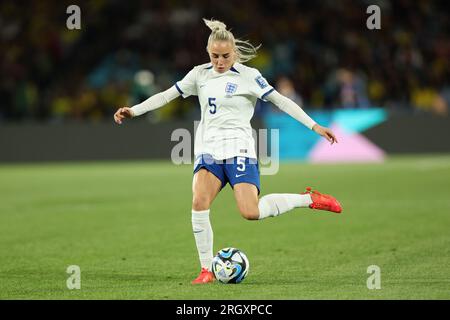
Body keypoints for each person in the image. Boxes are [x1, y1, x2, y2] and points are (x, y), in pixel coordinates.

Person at [113, 19, 342, 285]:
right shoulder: (199, 74)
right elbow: (165, 96)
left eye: (225, 56)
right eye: (215, 56)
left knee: (250, 212)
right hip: (208, 151)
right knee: (199, 202)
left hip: (240, 150)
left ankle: (308, 199)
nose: (220, 61)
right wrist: (134, 110)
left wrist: (314, 126)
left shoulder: (249, 76)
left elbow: (282, 101)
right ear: (208, 53)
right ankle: (205, 270)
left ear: (234, 52)